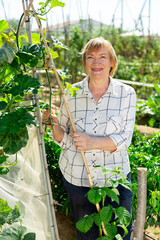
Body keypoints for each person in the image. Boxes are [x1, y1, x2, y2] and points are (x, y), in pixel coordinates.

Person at [42, 37, 136, 240]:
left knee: (119, 232)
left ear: (112, 62)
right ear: (85, 63)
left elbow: (124, 139)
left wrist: (91, 142)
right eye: (90, 57)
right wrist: (53, 124)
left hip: (114, 179)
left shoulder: (126, 94)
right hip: (78, 177)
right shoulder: (71, 92)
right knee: (87, 234)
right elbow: (65, 139)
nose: (96, 62)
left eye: (102, 57)